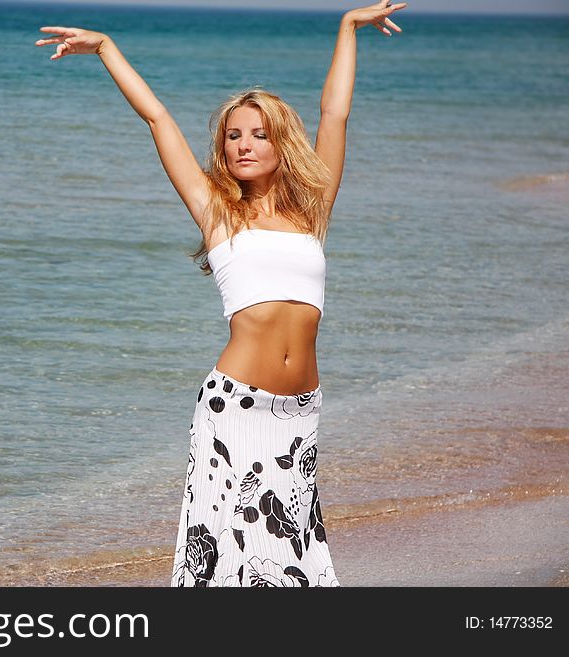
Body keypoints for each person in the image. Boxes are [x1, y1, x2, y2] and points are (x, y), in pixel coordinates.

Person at [35, 1, 408, 587]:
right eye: (233, 135)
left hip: (299, 412)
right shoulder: (217, 215)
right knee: (229, 556)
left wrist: (347, 29)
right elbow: (159, 119)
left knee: (292, 557)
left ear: (282, 144)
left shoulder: (311, 212)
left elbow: (334, 115)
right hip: (234, 408)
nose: (243, 144)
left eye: (259, 134)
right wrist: (107, 48)